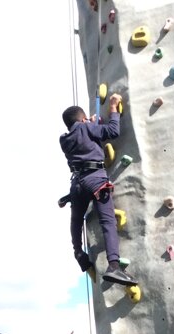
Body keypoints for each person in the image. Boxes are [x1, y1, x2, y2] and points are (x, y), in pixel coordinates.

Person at [59, 94, 138, 287]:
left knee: (76, 221)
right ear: (83, 119)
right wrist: (113, 108)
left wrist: (90, 124)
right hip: (95, 180)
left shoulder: (64, 139)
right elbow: (113, 131)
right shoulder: (87, 127)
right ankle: (114, 265)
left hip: (77, 185)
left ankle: (79, 252)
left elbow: (83, 138)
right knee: (108, 221)